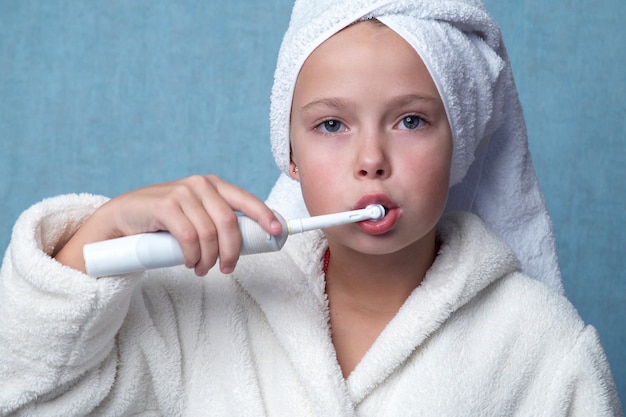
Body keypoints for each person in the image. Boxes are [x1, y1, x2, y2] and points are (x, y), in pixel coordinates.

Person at [0, 0, 621, 415]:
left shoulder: (542, 348)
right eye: (331, 124)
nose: (371, 158)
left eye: (411, 120)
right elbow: (26, 393)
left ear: (459, 139)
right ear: (289, 155)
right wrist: (104, 229)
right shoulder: (201, 300)